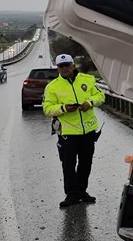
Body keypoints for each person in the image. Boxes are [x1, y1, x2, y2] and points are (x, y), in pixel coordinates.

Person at [42, 53, 106, 208]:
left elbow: (101, 96)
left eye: (67, 65)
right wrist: (63, 108)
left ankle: (82, 191)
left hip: (88, 132)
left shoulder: (87, 80)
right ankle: (71, 194)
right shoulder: (52, 87)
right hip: (68, 134)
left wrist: (90, 102)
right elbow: (47, 108)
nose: (64, 68)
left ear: (73, 65)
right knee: (68, 165)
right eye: (61, 66)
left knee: (86, 163)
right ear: (57, 68)